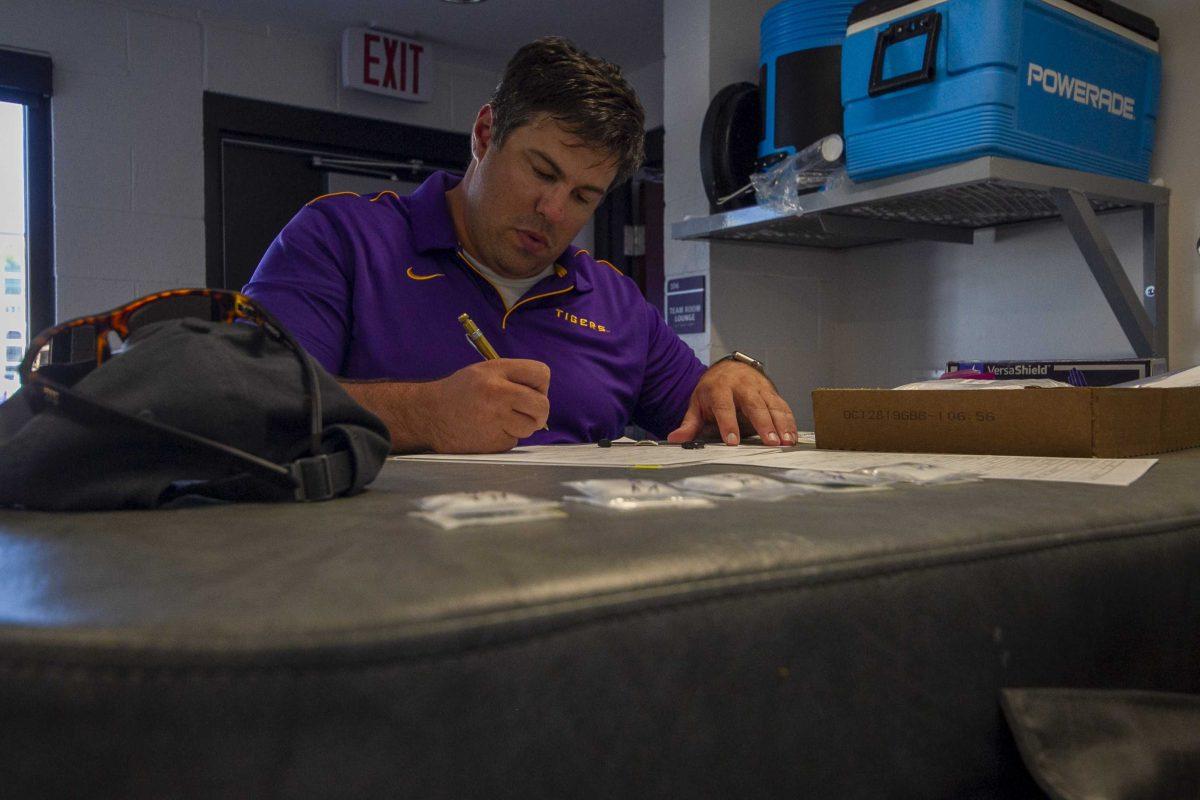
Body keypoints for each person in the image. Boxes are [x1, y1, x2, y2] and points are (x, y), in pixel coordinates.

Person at [244, 36, 797, 454]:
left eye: (583, 196)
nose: (555, 212)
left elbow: (705, 406)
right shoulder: (341, 239)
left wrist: (734, 374)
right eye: (541, 171)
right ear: (485, 136)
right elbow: (245, 401)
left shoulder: (615, 304)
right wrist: (426, 415)